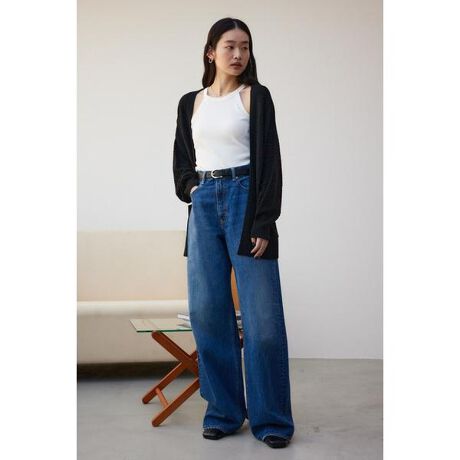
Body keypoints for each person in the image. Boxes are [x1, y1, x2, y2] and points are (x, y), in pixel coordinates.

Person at [172, 17, 295, 449]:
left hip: (246, 200)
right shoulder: (190, 103)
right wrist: (193, 190)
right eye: (229, 46)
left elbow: (271, 162)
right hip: (204, 205)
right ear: (211, 52)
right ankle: (224, 412)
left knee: (262, 321)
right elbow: (181, 162)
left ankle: (272, 420)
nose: (238, 54)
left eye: (245, 46)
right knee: (208, 314)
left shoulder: (255, 97)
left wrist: (264, 221)